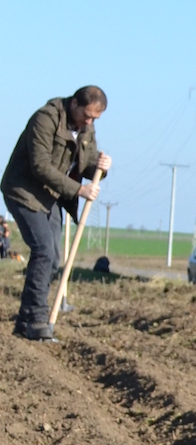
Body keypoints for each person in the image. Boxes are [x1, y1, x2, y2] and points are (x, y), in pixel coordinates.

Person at [2, 86, 111, 343]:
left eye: (95, 118)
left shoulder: (86, 127)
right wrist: (79, 190)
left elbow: (86, 163)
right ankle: (37, 320)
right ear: (74, 104)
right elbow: (40, 165)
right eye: (87, 116)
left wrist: (101, 167)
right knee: (43, 250)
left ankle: (24, 323)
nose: (89, 122)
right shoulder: (45, 118)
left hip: (50, 195)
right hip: (23, 191)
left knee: (52, 258)